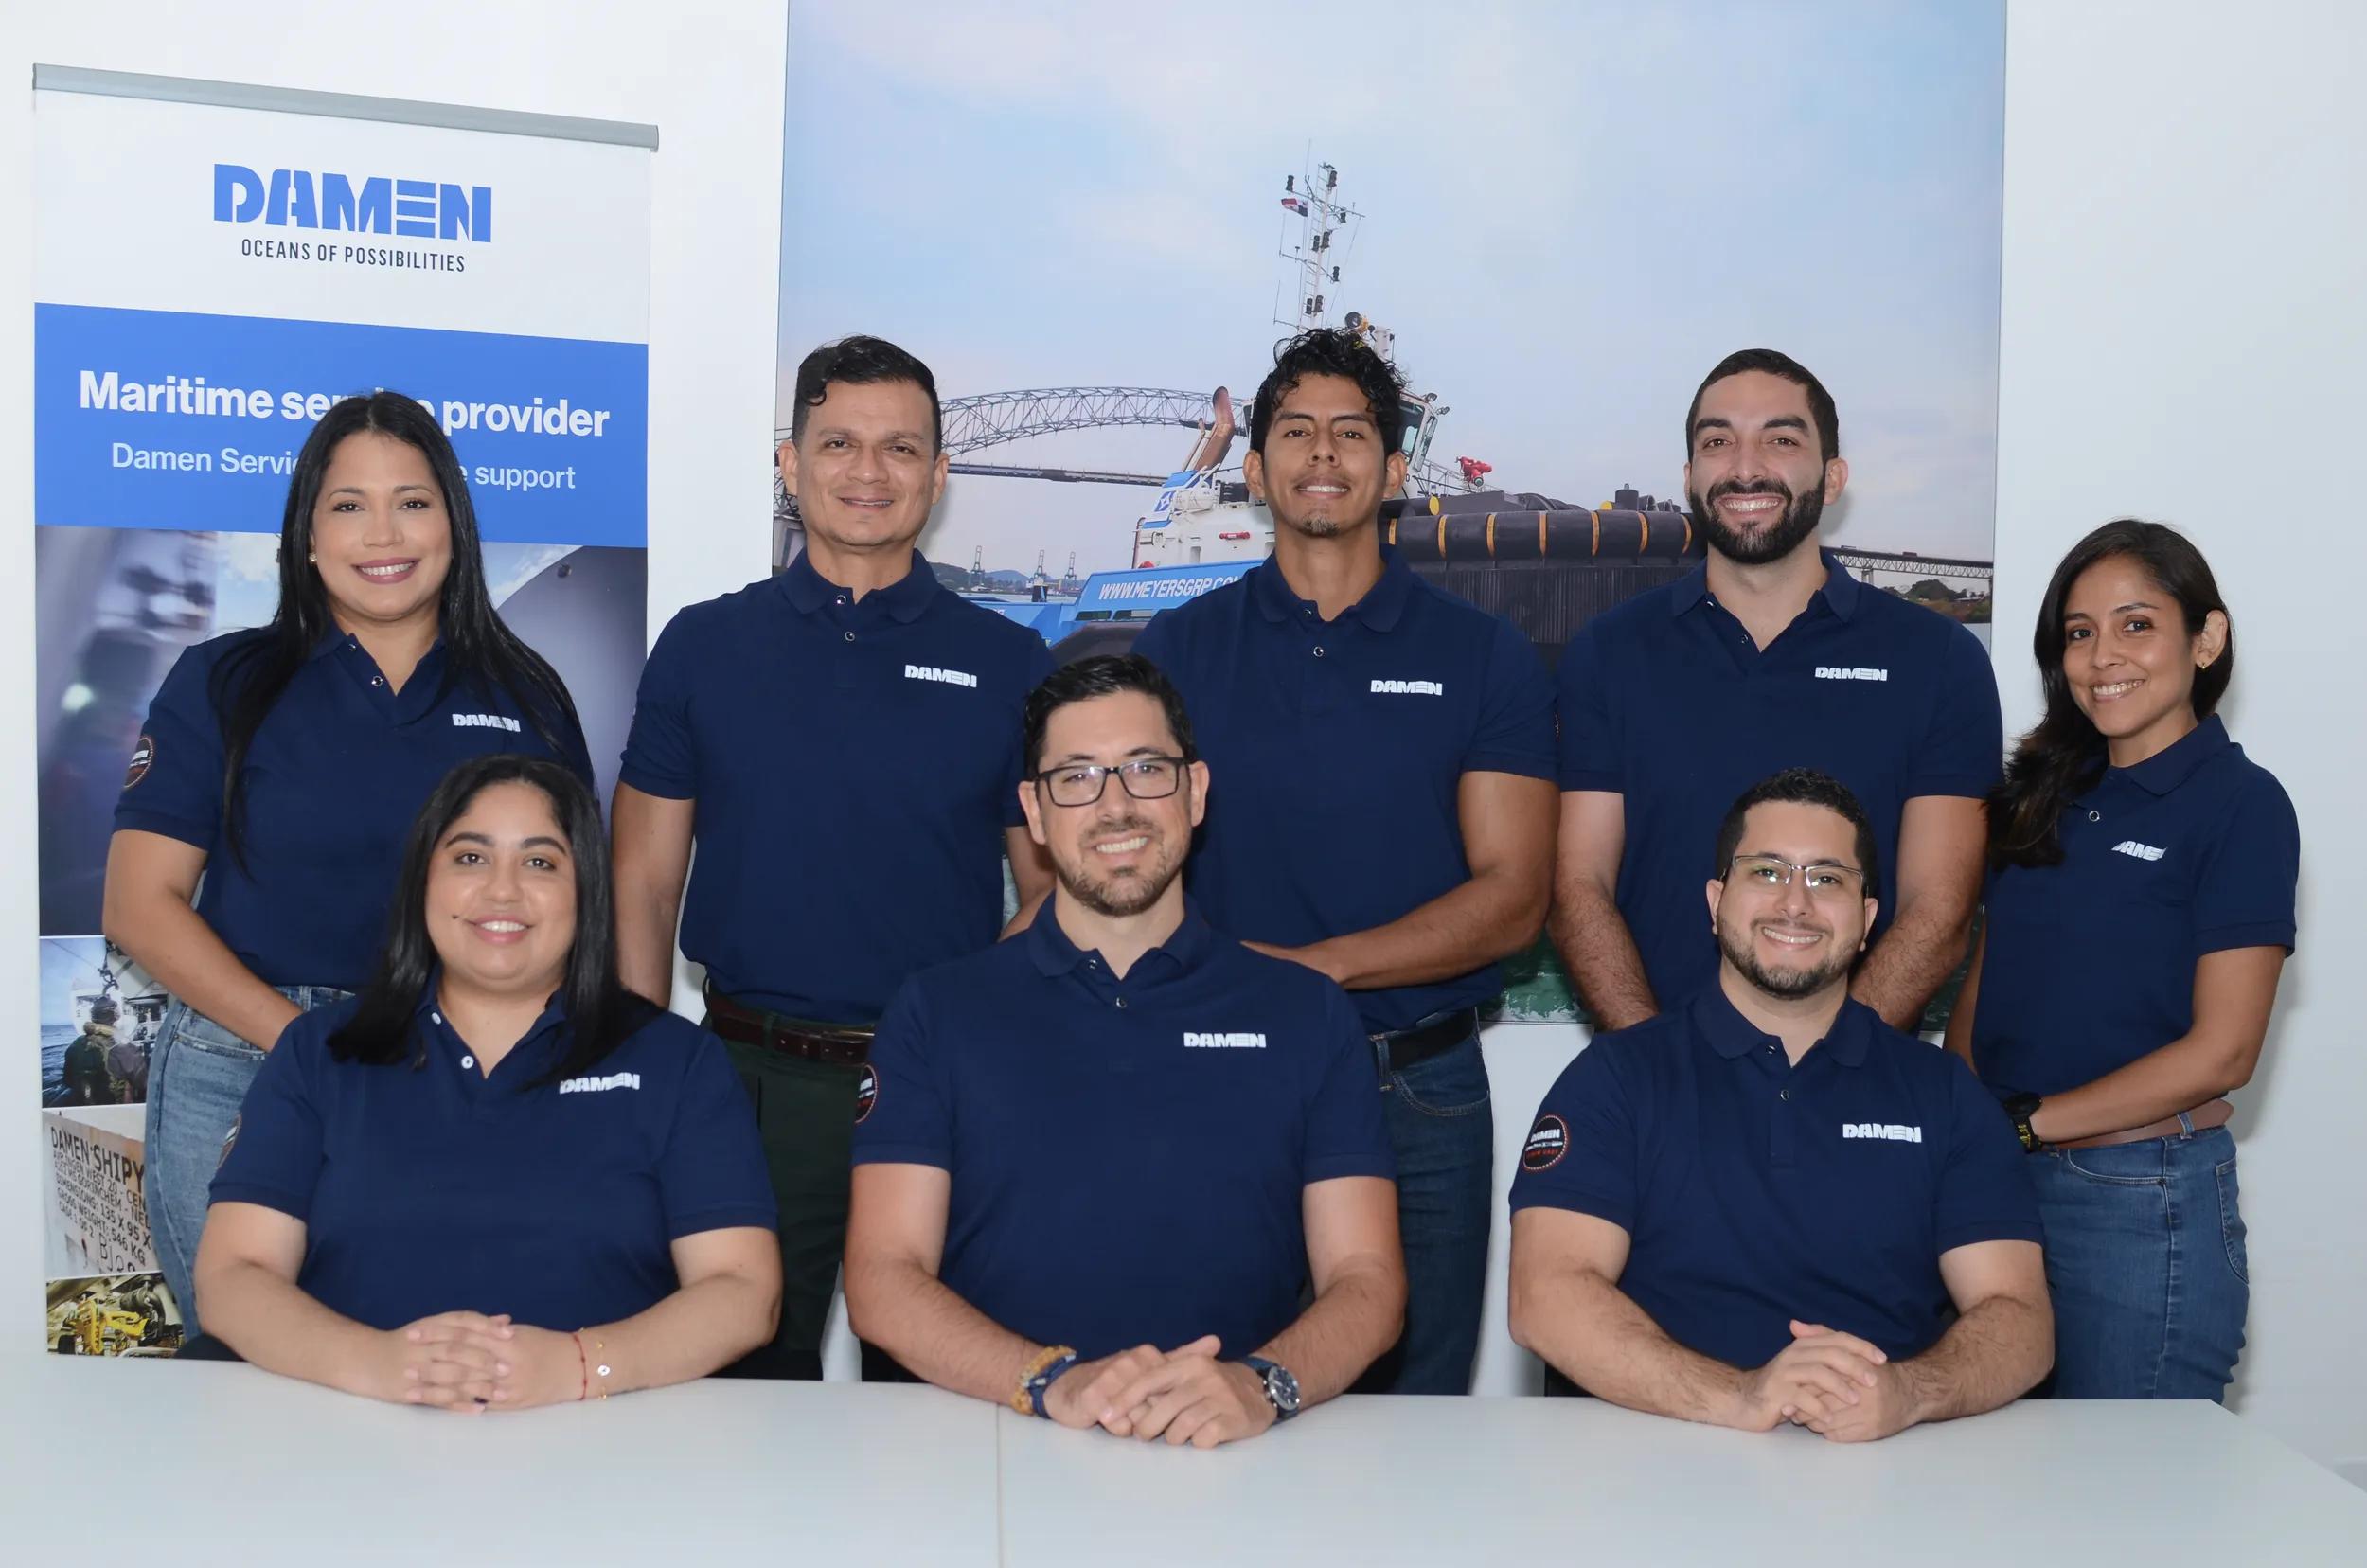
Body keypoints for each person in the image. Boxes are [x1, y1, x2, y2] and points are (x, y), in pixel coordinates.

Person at [614, 335, 1055, 1381]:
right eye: (839, 443)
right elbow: (641, 880)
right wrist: (639, 1070)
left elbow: (1051, 892)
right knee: (739, 1402)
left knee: (941, 1404)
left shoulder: (1008, 662)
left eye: (900, 448)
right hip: (749, 1084)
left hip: (934, 1087)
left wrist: (970, 1038)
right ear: (791, 462)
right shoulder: (705, 646)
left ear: (938, 475)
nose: (869, 472)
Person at [103, 391, 591, 1329]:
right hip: (240, 1060)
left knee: (431, 1359)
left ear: (453, 524)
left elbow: (569, 906)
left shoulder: (526, 696)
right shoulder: (224, 681)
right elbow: (138, 903)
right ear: (308, 536)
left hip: (456, 1067)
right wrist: (308, 1044)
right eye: (348, 505)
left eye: (412, 502)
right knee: (240, 1370)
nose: (383, 534)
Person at [1130, 328, 1557, 1395]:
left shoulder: (1482, 656)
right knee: (1207, 1393)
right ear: (1254, 466)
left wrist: (1313, 972)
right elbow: (1124, 870)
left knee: (1414, 1420)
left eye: (1352, 433)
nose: (1323, 452)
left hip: (1420, 1088)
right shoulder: (1176, 654)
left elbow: (1514, 901)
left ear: (1396, 469)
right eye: (1296, 431)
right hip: (1220, 1070)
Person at [845, 656, 1404, 1445]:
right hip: (992, 1436)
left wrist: (1262, 1385)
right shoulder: (936, 1013)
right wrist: (1050, 1382)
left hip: (1233, 1448)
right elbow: (882, 1277)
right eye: (1076, 777)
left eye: (1145, 769)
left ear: (1195, 792)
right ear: (1035, 812)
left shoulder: (1306, 1012)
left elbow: (1367, 1282)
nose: (1115, 806)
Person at [194, 755, 779, 1408]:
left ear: (587, 891)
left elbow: (742, 1291)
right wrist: (379, 1366)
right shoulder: (319, 1052)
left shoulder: (679, 1062)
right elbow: (234, 1276)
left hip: (605, 1436)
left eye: (540, 862)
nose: (503, 891)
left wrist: (581, 1366)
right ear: (424, 881)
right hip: (353, 1428)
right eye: (470, 858)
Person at [1510, 768, 2050, 1441]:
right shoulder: (1614, 1080)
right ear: (1716, 902)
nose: (1794, 903)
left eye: (1827, 879)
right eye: (1766, 872)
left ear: (1867, 920)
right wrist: (1740, 1397)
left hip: (1882, 1465)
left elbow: (2020, 1318)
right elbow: (1545, 1296)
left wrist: (1911, 1393)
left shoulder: (1944, 1093)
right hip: (1657, 1455)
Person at [1552, 349, 2000, 1035]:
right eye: (1717, 442)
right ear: (1689, 476)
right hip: (1654, 1078)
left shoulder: (1939, 660)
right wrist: (1654, 1067)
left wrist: (1826, 1070)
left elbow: (1939, 913)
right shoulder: (1607, 653)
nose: (1745, 467)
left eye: (1781, 440)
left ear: (1833, 477)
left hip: (1857, 1082)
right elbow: (1578, 890)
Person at [1947, 521, 2293, 1400]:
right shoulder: (2041, 795)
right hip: (2000, 1191)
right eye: (2079, 631)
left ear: (2206, 639)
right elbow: (1991, 977)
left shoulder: (2243, 806)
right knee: (1998, 1477)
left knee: (2129, 1486)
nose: (2103, 656)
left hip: (2138, 1204)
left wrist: (2025, 1125)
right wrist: (1973, 1128)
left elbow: (2224, 1053)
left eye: (2136, 624)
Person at [60, 997, 116, 1106]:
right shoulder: (117, 1045)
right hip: (106, 1101)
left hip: (80, 1101)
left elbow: (67, 1080)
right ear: (113, 1018)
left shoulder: (75, 1044)